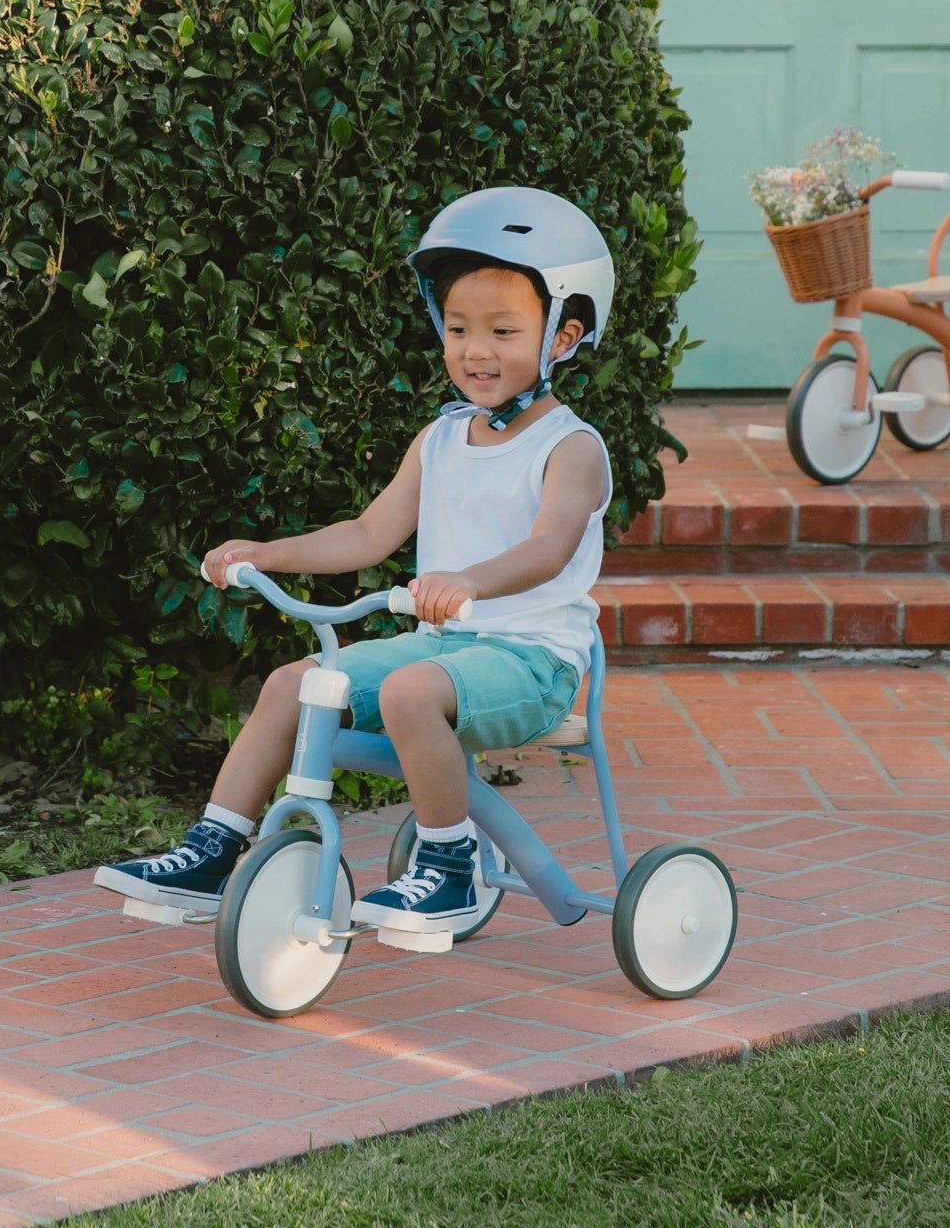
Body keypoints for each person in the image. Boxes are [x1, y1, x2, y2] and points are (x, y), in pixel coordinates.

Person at [93, 188, 614, 940]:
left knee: (407, 693)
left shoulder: (570, 446)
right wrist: (265, 553)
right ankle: (212, 848)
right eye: (459, 328)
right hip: (439, 647)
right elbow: (369, 533)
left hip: (531, 658)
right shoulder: (440, 440)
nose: (475, 351)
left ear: (563, 336)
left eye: (504, 330)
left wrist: (469, 580)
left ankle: (449, 868)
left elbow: (550, 547)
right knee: (293, 685)